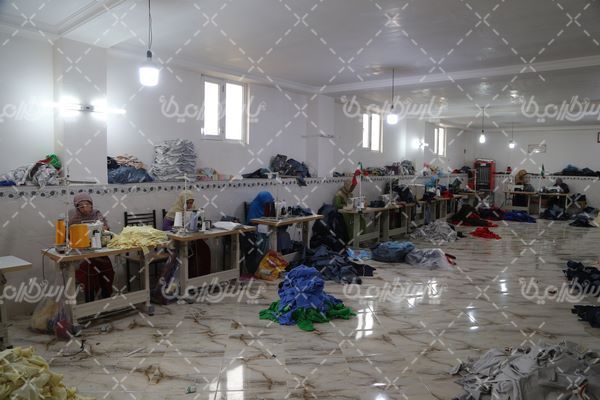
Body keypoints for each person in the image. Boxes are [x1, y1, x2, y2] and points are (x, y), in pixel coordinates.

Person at [68, 193, 113, 303]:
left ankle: (105, 298)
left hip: (98, 252)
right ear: (77, 207)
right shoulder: (74, 220)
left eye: (87, 205)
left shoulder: (97, 214)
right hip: (82, 255)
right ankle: (90, 303)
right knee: (88, 273)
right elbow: (69, 238)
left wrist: (103, 228)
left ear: (91, 204)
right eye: (81, 206)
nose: (85, 208)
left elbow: (106, 229)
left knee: (107, 269)